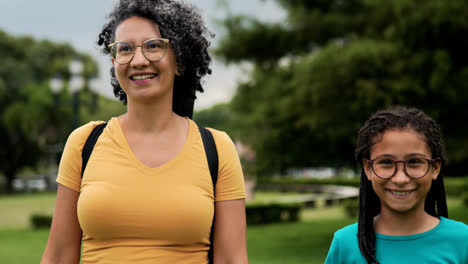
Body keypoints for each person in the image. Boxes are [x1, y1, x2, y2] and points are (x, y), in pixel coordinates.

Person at [41, 0, 248, 263]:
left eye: (153, 46)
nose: (139, 60)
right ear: (115, 61)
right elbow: (58, 257)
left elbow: (232, 259)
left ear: (180, 61)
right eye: (125, 49)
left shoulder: (218, 148)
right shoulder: (84, 143)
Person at [325, 106, 468, 264]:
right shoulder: (345, 244)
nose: (400, 179)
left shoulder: (463, 241)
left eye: (414, 162)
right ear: (368, 168)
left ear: (435, 168)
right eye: (386, 162)